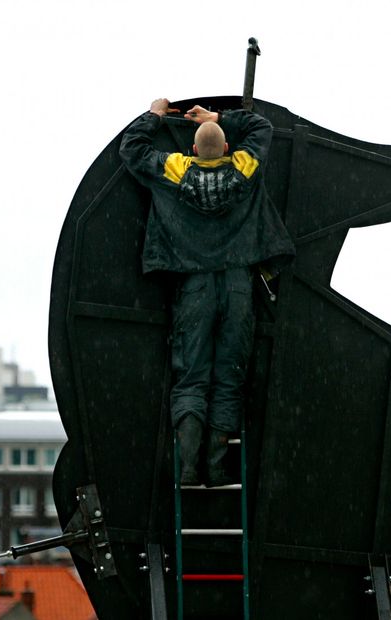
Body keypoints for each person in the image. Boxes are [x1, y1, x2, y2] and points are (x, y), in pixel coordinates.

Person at [119, 98, 294, 486]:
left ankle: (187, 469)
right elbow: (261, 129)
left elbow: (132, 148)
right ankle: (217, 468)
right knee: (229, 377)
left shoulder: (175, 170)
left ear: (193, 151)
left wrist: (155, 114)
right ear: (228, 149)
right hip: (237, 286)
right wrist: (220, 118)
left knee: (192, 378)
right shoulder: (245, 167)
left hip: (193, 286)